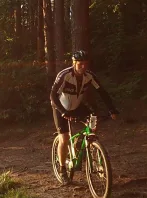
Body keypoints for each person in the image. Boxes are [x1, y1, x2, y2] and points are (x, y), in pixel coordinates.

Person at [50, 50, 119, 184]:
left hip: (77, 106)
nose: (83, 67)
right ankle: (63, 169)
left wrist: (111, 109)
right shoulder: (64, 75)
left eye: (85, 64)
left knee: (93, 124)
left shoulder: (89, 76)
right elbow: (53, 95)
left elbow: (102, 92)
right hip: (60, 107)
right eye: (80, 64)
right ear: (74, 63)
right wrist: (63, 112)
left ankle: (86, 144)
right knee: (64, 138)